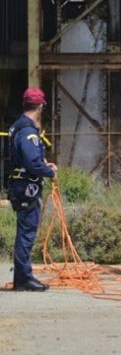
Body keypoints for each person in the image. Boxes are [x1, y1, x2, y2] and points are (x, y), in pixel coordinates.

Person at [7, 88, 58, 291]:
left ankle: (22, 276)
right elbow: (32, 163)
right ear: (41, 106)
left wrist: (44, 164)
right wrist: (50, 172)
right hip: (26, 186)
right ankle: (23, 279)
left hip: (20, 184)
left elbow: (29, 159)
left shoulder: (18, 127)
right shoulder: (28, 131)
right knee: (27, 232)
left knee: (24, 231)